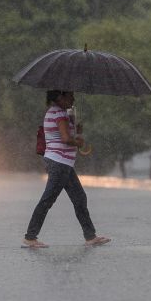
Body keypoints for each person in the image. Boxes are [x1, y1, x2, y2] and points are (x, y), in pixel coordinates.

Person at [23, 90, 111, 248]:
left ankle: (90, 236)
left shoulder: (57, 113)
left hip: (63, 163)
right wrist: (78, 142)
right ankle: (30, 237)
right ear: (59, 97)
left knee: (79, 198)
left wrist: (77, 130)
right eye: (70, 96)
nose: (73, 99)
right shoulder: (59, 114)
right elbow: (65, 139)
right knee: (48, 200)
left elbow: (65, 135)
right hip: (59, 163)